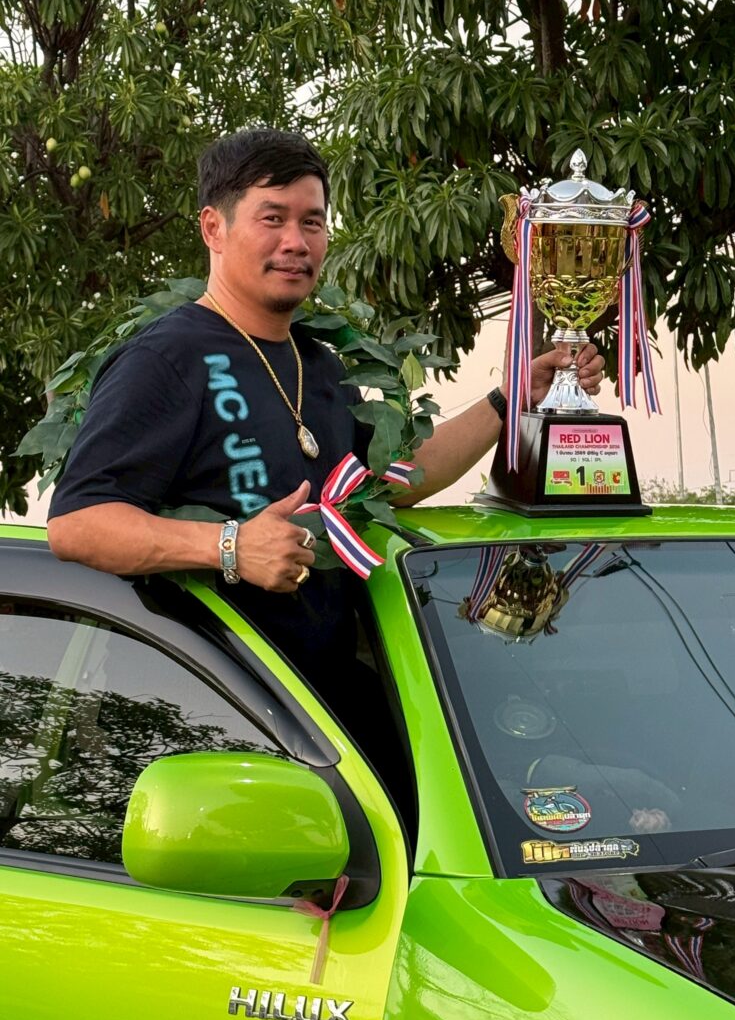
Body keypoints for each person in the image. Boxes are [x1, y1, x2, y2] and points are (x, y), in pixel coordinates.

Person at [47, 128, 604, 691]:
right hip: (214, 708)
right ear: (214, 227)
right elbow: (77, 524)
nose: (296, 241)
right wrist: (229, 547)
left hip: (322, 706)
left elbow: (393, 480)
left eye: (312, 222)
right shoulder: (166, 358)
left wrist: (513, 398)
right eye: (273, 218)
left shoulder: (319, 364)